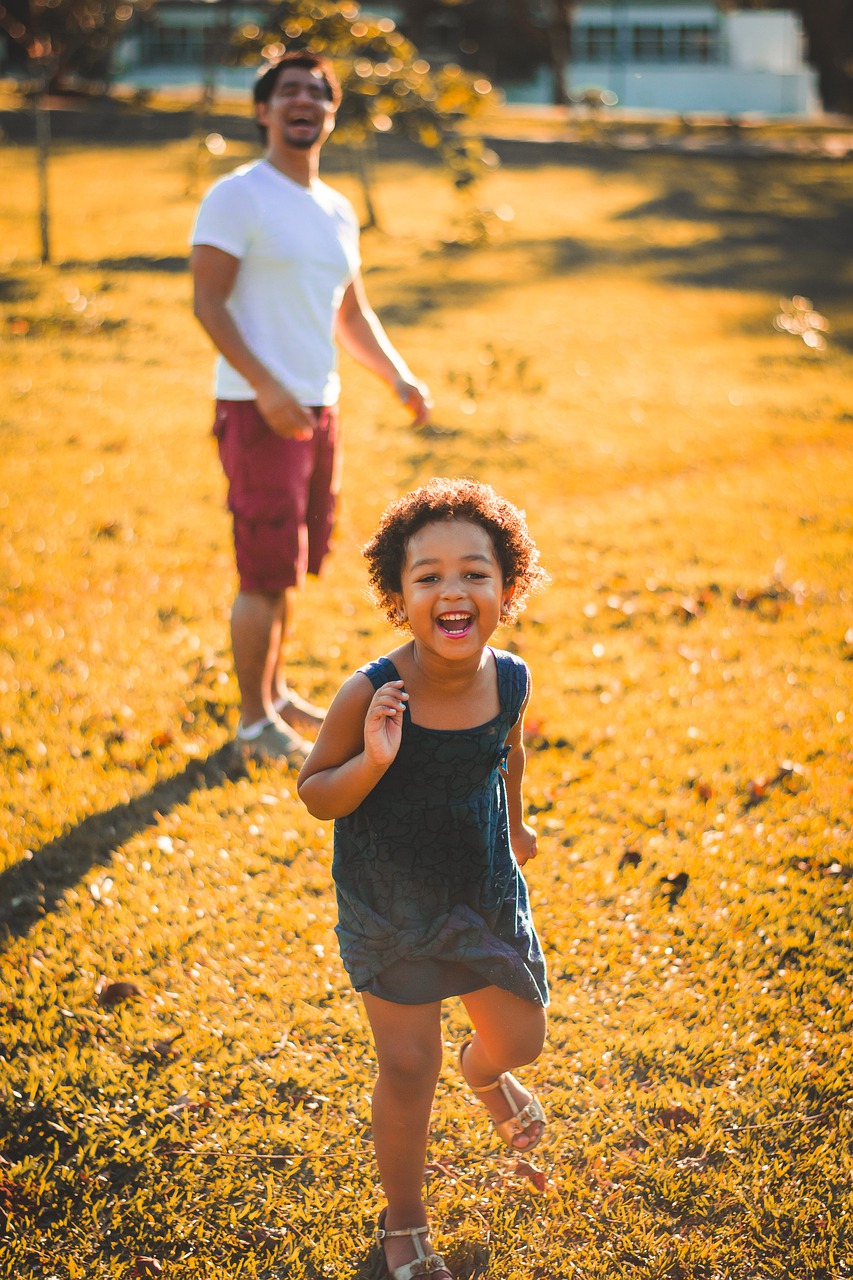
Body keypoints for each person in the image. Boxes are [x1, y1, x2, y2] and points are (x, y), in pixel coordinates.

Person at [297, 478, 550, 1280]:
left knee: (521, 1038)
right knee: (408, 1067)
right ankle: (404, 1227)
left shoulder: (509, 678)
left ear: (506, 590)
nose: (453, 590)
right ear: (397, 595)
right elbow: (314, 794)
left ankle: (486, 1077)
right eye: (429, 575)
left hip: (480, 890)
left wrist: (513, 823)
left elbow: (505, 748)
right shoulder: (371, 692)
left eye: (475, 573)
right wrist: (372, 761)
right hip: (392, 905)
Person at [190, 51, 431, 765]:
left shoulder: (335, 207)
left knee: (289, 563)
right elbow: (207, 301)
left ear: (330, 115)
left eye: (316, 94)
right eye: (287, 91)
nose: (303, 102)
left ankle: (276, 693)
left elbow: (349, 313)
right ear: (263, 111)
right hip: (259, 409)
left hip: (317, 408)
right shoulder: (238, 195)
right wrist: (265, 387)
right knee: (263, 571)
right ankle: (252, 723)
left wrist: (398, 376)